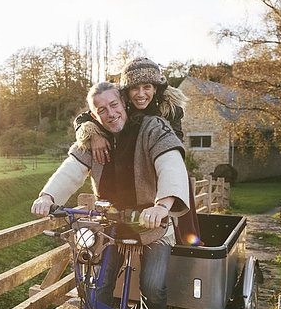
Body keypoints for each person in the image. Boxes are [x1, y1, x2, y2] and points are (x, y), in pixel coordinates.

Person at [31, 81, 190, 309]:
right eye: (101, 109)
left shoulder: (152, 127)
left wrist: (162, 205)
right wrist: (47, 196)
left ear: (124, 103)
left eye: (114, 105)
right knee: (97, 283)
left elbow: (171, 162)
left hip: (153, 222)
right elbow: (72, 169)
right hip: (110, 224)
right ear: (94, 115)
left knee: (152, 286)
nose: (110, 113)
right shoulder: (93, 137)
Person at [74, 56, 203, 246]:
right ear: (126, 91)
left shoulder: (170, 110)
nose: (141, 94)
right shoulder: (120, 103)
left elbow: (172, 147)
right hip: (132, 165)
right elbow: (86, 116)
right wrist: (93, 134)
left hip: (159, 165)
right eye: (135, 88)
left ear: (156, 88)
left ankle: (181, 243)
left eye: (147, 87)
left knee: (176, 196)